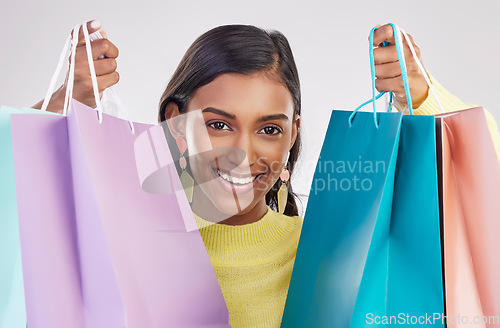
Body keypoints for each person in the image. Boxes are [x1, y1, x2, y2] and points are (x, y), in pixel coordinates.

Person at [33, 20, 500, 328]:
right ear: (177, 124)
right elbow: (20, 223)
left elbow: (482, 212)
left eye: (269, 129)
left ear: (293, 135)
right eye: (219, 124)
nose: (242, 152)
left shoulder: (337, 257)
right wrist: (56, 107)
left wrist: (422, 99)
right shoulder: (120, 248)